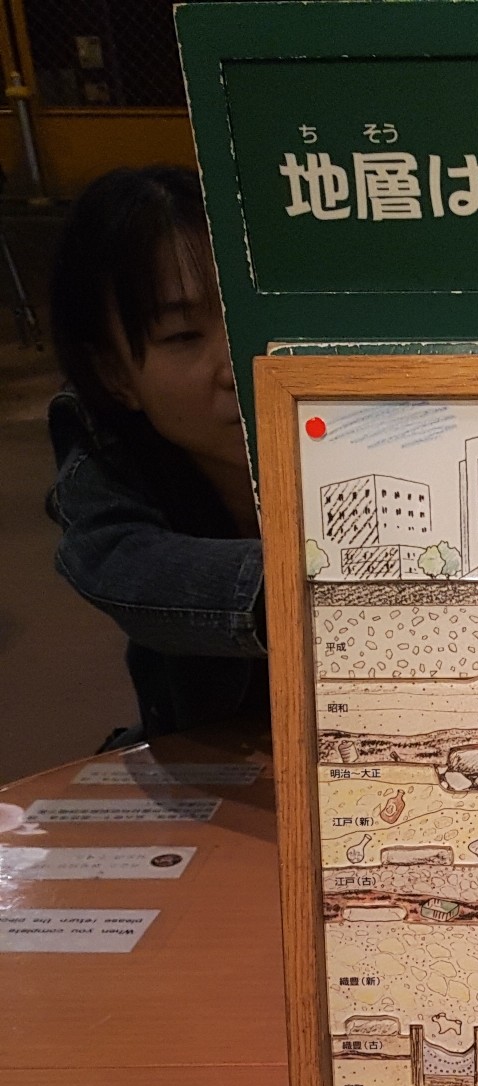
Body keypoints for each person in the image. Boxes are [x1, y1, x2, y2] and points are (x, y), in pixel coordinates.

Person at [47, 165, 267, 743]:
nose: (240, 368)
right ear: (115, 375)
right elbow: (113, 559)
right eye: (183, 336)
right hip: (206, 744)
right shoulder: (104, 445)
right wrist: (292, 592)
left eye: (256, 318)